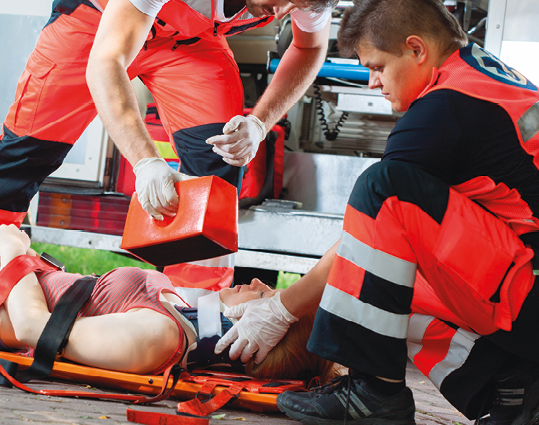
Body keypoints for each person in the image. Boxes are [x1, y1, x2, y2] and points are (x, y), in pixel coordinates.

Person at [214, 0, 539, 424]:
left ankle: (375, 392)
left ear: (416, 49)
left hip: (529, 293)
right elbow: (371, 245)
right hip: (526, 284)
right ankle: (515, 391)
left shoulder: (443, 110)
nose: (371, 83)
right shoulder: (477, 75)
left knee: (381, 189)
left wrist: (283, 309)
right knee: (390, 272)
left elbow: (374, 224)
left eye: (377, 67)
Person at [0, 0, 338, 290]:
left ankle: (192, 308)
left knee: (216, 165)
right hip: (95, 24)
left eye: (297, 4)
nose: (284, 11)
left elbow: (309, 47)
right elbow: (107, 61)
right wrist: (146, 162)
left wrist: (258, 122)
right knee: (26, 152)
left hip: (189, 42)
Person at [0, 225, 336, 382]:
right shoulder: (185, 319)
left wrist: (13, 252)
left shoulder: (159, 339)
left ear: (260, 339)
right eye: (274, 293)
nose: (265, 290)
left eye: (275, 302)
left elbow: (34, 331)